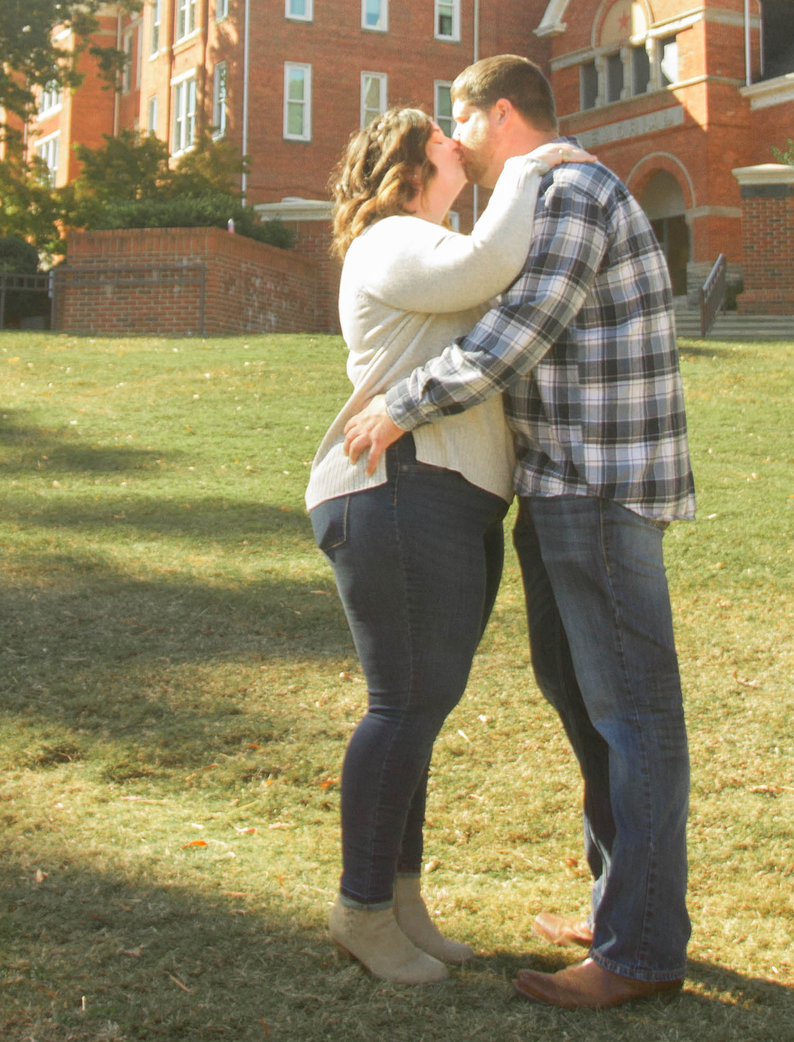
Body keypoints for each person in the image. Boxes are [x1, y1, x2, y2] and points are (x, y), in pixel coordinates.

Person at [343, 54, 695, 1011]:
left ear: (501, 115)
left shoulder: (574, 187)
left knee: (632, 714)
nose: (453, 144)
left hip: (597, 486)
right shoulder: (546, 196)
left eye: (461, 124)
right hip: (558, 488)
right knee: (589, 709)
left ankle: (642, 949)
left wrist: (400, 405)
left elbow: (517, 331)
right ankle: (622, 902)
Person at [307, 106, 585, 984]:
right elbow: (491, 262)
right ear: (411, 159)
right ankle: (360, 908)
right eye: (440, 133)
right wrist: (535, 166)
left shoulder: (426, 241)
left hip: (444, 497)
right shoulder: (392, 238)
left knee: (422, 705)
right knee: (404, 703)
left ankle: (400, 897)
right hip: (393, 489)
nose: (454, 139)